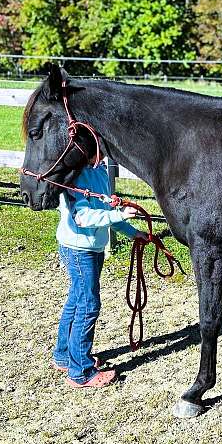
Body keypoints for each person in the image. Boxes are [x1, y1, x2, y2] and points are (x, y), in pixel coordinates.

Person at [50, 157, 147, 388]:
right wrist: (119, 215)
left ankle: (64, 356)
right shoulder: (75, 174)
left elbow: (106, 211)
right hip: (78, 249)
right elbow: (82, 217)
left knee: (77, 301)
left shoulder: (101, 170)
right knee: (88, 305)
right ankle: (81, 371)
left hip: (92, 248)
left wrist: (133, 232)